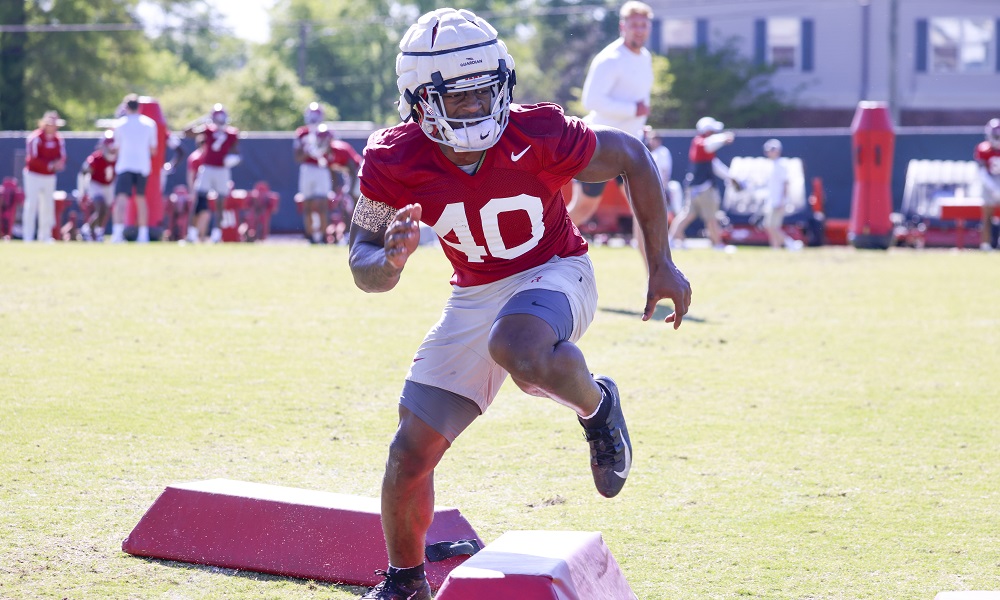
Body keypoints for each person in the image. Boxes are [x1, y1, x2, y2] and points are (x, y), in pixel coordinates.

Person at [347, 8, 691, 600]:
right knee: (409, 452)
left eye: (488, 93)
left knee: (517, 345)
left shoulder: (536, 131)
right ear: (420, 101)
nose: (479, 109)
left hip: (556, 270)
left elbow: (631, 156)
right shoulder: (392, 157)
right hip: (475, 292)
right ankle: (405, 583)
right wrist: (391, 261)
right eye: (461, 100)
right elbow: (363, 264)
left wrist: (660, 262)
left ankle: (597, 405)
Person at [567, 1, 654, 243]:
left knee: (644, 210)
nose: (639, 30)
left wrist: (639, 122)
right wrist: (632, 110)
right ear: (622, 26)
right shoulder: (610, 58)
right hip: (600, 144)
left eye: (644, 25)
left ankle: (655, 276)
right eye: (634, 25)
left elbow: (640, 101)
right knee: (584, 209)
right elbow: (590, 100)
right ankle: (537, 249)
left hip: (631, 145)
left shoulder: (645, 57)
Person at [668, 116, 739, 250]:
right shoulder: (700, 143)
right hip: (704, 188)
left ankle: (671, 239)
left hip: (694, 187)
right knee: (710, 217)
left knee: (688, 215)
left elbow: (714, 164)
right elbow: (708, 144)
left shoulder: (702, 146)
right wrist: (724, 138)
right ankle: (717, 244)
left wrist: (730, 177)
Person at [184, 104, 241, 243]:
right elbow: (187, 132)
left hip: (222, 170)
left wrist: (233, 159)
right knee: (199, 200)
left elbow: (235, 151)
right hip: (208, 168)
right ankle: (191, 234)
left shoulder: (232, 133)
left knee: (221, 202)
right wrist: (199, 121)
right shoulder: (208, 130)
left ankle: (216, 235)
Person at [110, 94, 158, 243]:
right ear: (139, 107)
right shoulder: (150, 124)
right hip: (142, 166)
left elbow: (116, 148)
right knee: (140, 199)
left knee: (121, 200)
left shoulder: (119, 124)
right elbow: (153, 150)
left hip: (125, 165)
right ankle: (143, 235)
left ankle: (117, 234)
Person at [22, 110, 67, 242]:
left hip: (49, 177)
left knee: (47, 205)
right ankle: (28, 236)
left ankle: (45, 236)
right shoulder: (35, 138)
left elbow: (62, 156)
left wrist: (58, 164)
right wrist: (50, 165)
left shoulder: (59, 139)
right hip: (33, 175)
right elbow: (33, 159)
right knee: (32, 204)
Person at [294, 102, 334, 244]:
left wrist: (322, 149)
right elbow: (297, 157)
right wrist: (308, 152)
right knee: (307, 204)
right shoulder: (302, 133)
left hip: (322, 169)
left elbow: (332, 154)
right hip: (307, 169)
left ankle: (323, 236)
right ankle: (310, 236)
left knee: (323, 204)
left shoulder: (326, 131)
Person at [79, 130, 118, 242]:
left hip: (109, 185)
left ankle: (92, 230)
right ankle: (96, 231)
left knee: (105, 211)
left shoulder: (118, 158)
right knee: (100, 205)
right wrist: (82, 191)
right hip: (95, 184)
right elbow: (84, 172)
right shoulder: (96, 158)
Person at [974, 118, 1000, 251]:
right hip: (989, 182)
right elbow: (982, 172)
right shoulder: (983, 148)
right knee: (987, 216)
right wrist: (994, 188)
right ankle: (985, 245)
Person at [762, 138, 790, 249]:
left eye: (772, 149)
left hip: (778, 201)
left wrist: (783, 200)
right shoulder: (769, 165)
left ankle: (790, 244)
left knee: (772, 226)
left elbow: (785, 184)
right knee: (770, 226)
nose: (770, 152)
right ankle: (775, 248)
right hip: (771, 200)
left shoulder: (782, 164)